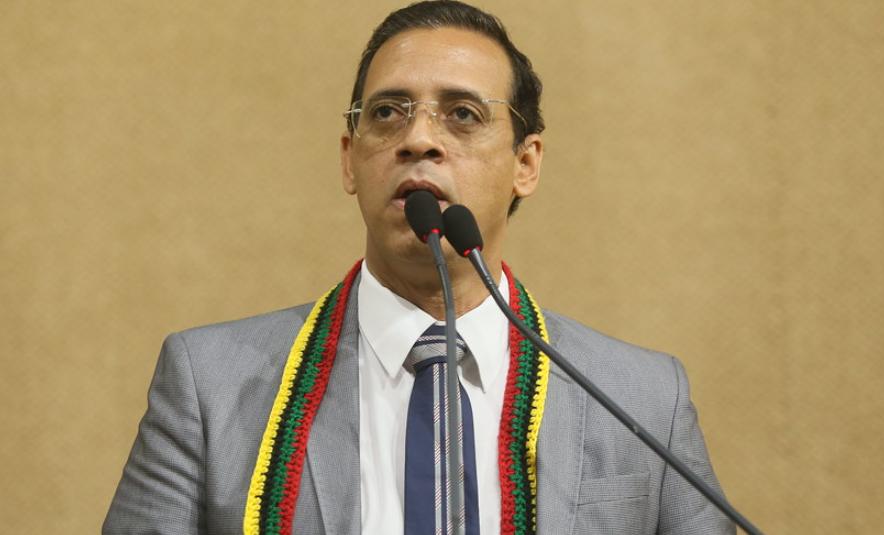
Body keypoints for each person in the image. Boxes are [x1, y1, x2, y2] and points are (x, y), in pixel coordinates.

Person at [104, 1, 734, 534]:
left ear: (526, 163)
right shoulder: (210, 385)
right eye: (387, 113)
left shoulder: (643, 399)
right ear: (350, 160)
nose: (418, 139)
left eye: (463, 114)